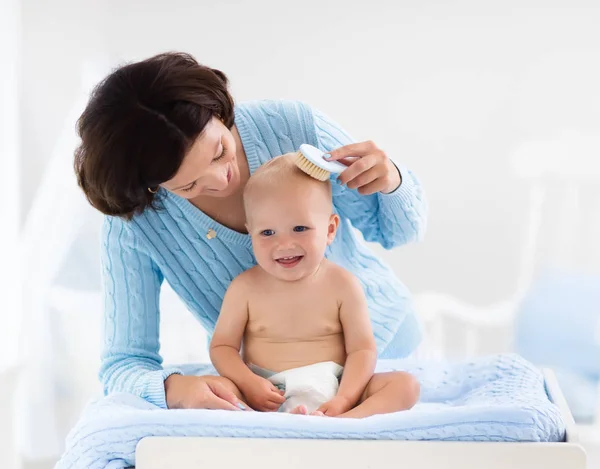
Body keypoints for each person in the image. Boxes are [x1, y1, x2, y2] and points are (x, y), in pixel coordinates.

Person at [74, 51, 427, 412]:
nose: (221, 180)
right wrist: (174, 388)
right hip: (276, 394)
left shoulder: (292, 128)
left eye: (219, 152)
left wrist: (392, 181)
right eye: (188, 185)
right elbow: (122, 364)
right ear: (150, 187)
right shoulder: (135, 223)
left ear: (218, 109)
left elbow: (398, 233)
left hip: (387, 359)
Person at [210, 153, 419, 417]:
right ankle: (278, 420)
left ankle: (343, 420)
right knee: (213, 389)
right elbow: (222, 347)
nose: (284, 244)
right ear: (250, 232)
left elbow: (362, 349)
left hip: (335, 388)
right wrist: (249, 383)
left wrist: (345, 397)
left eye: (299, 228)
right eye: (267, 233)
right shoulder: (244, 288)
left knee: (405, 386)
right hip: (267, 392)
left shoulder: (342, 284)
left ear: (330, 229)